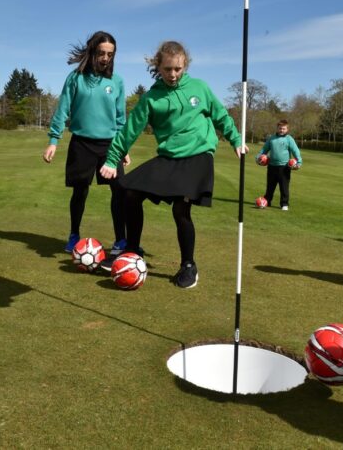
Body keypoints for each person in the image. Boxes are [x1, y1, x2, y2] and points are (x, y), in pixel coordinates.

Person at [99, 41, 247, 289]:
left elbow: (221, 115)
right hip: (169, 157)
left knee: (181, 209)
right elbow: (130, 129)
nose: (173, 74)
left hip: (198, 155)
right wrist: (113, 158)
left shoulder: (199, 88)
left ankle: (188, 265)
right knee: (129, 192)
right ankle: (133, 250)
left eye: (178, 69)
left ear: (185, 65)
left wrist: (236, 140)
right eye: (167, 69)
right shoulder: (151, 98)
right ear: (158, 66)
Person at [42, 31, 130, 266]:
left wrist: (124, 147)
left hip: (110, 146)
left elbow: (121, 118)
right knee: (80, 192)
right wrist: (53, 140)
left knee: (120, 191)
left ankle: (121, 240)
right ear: (92, 52)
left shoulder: (117, 81)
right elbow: (63, 110)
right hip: (81, 143)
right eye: (101, 53)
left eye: (109, 55)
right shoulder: (75, 78)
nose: (105, 58)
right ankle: (73, 235)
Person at [256, 119, 302, 211]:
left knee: (284, 187)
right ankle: (267, 201)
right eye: (280, 128)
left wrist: (299, 162)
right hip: (272, 166)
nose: (281, 130)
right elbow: (264, 150)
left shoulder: (289, 139)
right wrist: (258, 158)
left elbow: (295, 151)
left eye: (283, 129)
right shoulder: (271, 139)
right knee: (270, 186)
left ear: (287, 129)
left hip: (284, 167)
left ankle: (284, 204)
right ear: (277, 128)